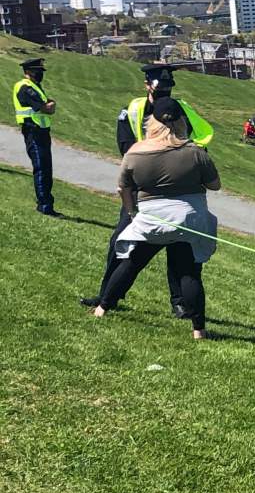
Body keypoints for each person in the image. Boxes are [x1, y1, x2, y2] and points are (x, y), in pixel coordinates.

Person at [80, 63, 214, 313]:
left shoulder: (181, 109)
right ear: (147, 86)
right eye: (160, 88)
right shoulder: (132, 110)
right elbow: (126, 149)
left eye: (168, 88)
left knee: (178, 249)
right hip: (142, 190)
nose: (165, 93)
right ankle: (107, 295)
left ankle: (180, 304)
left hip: (177, 191)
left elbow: (201, 141)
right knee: (122, 242)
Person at [92, 97, 220, 339]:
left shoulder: (136, 153)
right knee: (189, 273)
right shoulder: (195, 152)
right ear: (182, 122)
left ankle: (102, 308)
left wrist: (131, 213)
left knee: (132, 263)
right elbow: (215, 185)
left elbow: (123, 188)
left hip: (151, 219)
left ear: (152, 123)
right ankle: (198, 330)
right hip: (188, 221)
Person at [12, 57, 59, 216]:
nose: (40, 74)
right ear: (28, 72)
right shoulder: (25, 87)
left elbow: (48, 105)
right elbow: (46, 107)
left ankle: (47, 203)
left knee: (47, 168)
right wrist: (50, 105)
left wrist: (49, 105)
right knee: (41, 168)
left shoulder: (35, 86)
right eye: (37, 71)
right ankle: (44, 206)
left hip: (41, 130)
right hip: (33, 130)